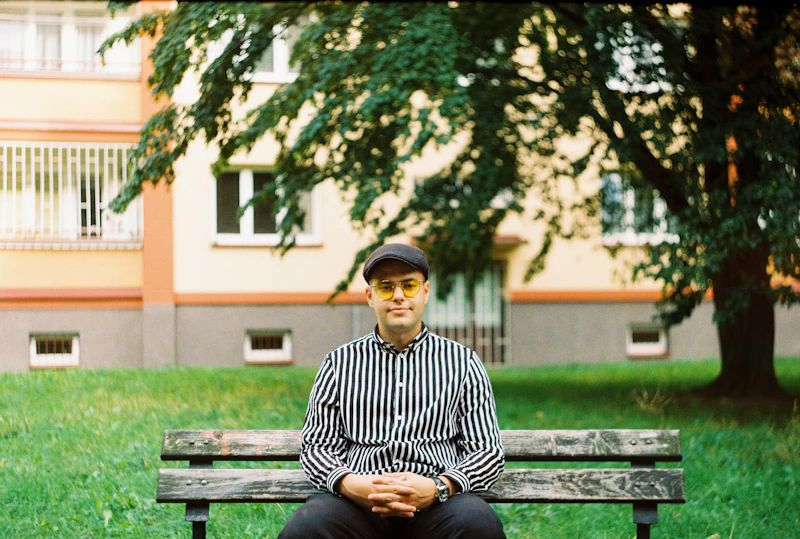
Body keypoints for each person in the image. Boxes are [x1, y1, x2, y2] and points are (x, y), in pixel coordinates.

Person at [278, 243, 506, 539]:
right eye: (385, 287)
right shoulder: (339, 363)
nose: (398, 295)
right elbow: (316, 447)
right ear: (370, 297)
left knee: (479, 524)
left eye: (409, 285)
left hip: (438, 507)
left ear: (425, 292)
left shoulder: (463, 363)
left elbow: (486, 451)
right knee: (307, 527)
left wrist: (440, 486)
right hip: (357, 507)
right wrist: (349, 484)